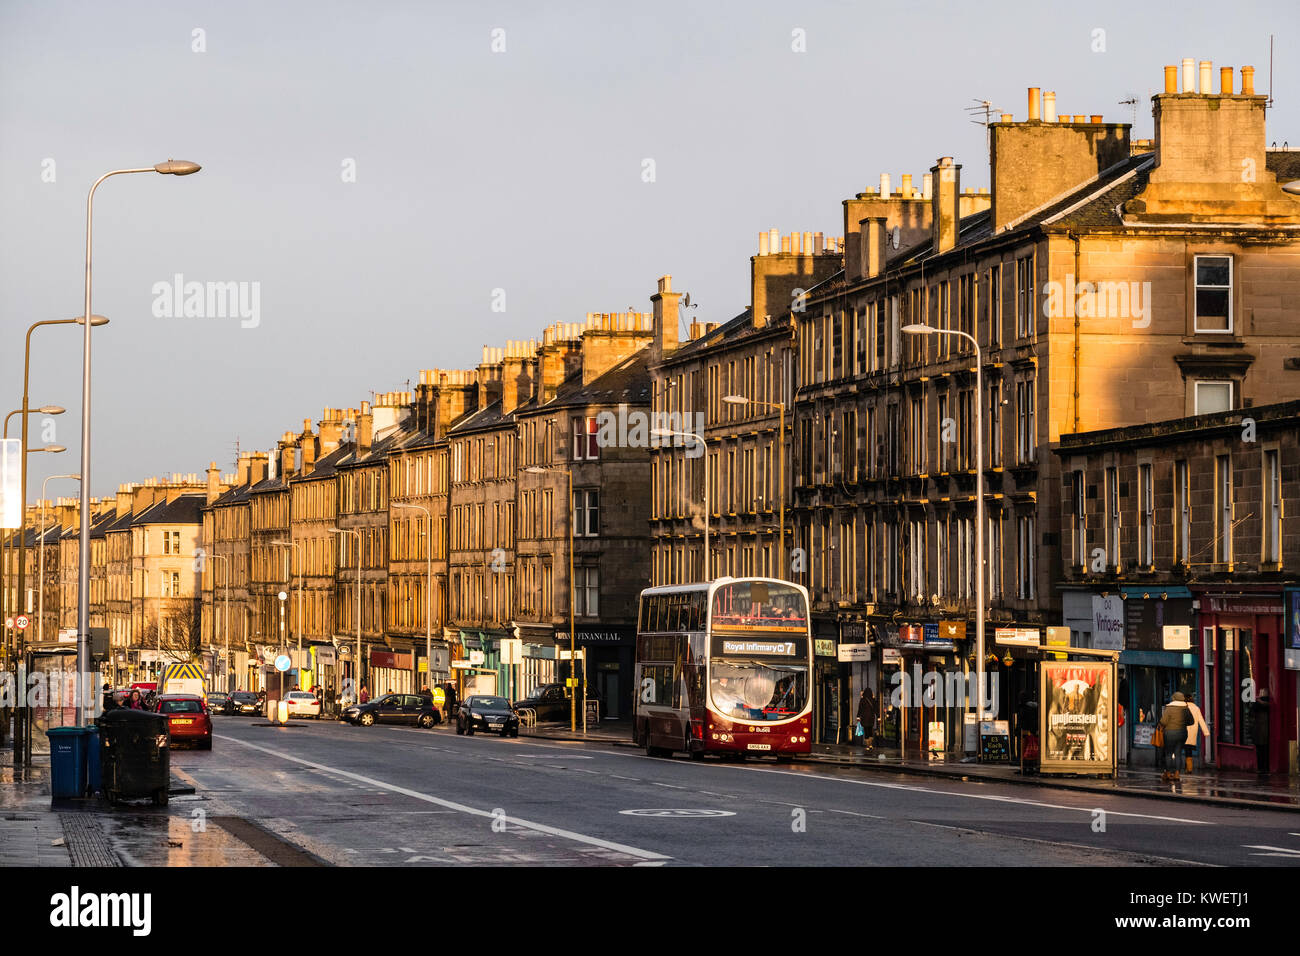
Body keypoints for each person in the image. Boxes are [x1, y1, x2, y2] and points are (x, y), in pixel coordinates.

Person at [1157, 691, 1194, 782]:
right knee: (1178, 753)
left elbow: (1164, 722)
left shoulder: (1169, 708)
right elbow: (1191, 721)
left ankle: (1168, 773)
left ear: (1173, 698)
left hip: (1170, 733)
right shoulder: (1186, 708)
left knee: (1169, 753)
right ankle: (1177, 774)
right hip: (1182, 733)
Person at [1184, 694, 1210, 774]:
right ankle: (1189, 767)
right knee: (1189, 749)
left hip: (1183, 730)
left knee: (1185, 749)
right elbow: (1201, 720)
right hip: (1192, 731)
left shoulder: (1182, 708)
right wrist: (1206, 732)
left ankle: (1187, 768)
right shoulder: (1196, 708)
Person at [1252, 690, 1271, 773]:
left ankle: (1261, 768)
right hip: (1263, 734)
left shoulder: (1257, 706)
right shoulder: (1266, 707)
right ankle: (1264, 767)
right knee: (1264, 751)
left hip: (1259, 733)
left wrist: (1258, 700)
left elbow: (1251, 711)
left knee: (1260, 751)